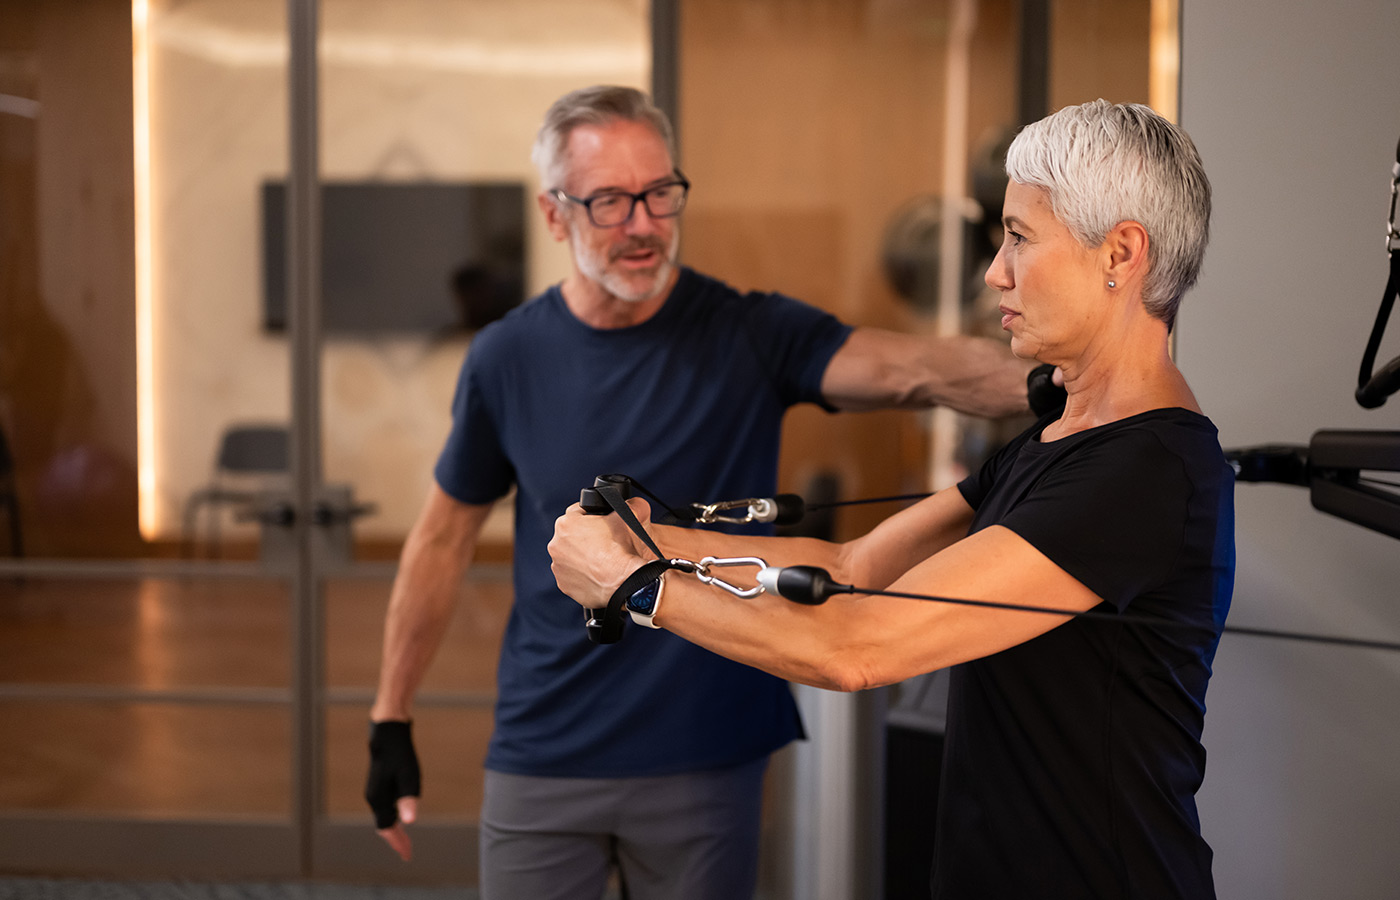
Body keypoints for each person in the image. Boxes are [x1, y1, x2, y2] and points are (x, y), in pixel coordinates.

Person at [549, 98, 1235, 899]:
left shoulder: (1146, 470)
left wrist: (636, 586)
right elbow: (854, 565)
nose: (994, 272)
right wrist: (649, 537)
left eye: (1019, 238)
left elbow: (859, 644)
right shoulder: (1059, 440)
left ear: (1120, 253)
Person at [365, 84, 1035, 899]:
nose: (643, 223)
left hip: (704, 751)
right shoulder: (507, 357)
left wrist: (1077, 383)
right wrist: (391, 715)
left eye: (658, 193)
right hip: (546, 748)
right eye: (610, 201)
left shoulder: (748, 332)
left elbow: (915, 370)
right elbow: (441, 538)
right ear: (554, 214)